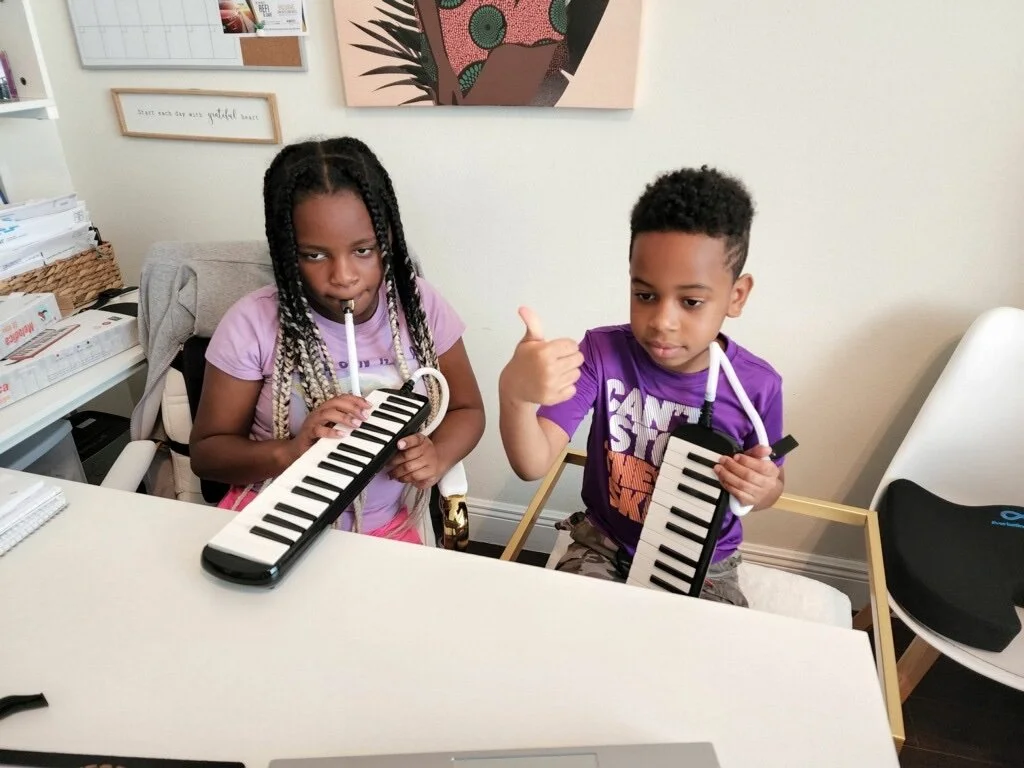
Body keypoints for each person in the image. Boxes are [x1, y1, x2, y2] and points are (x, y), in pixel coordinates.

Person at [498, 166, 785, 605]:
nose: (662, 322)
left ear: (736, 296)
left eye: (691, 302)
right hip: (604, 542)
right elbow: (532, 463)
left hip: (704, 562)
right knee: (569, 633)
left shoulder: (757, 386)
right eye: (645, 295)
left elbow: (771, 484)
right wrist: (515, 394)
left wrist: (762, 490)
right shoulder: (600, 352)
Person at [190, 137, 485, 543]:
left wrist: (438, 455)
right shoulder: (252, 323)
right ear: (286, 253)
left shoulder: (419, 305)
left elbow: (468, 409)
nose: (343, 276)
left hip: (386, 527)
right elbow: (207, 455)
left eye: (363, 250)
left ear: (388, 243)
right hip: (270, 521)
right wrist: (291, 452)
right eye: (314, 255)